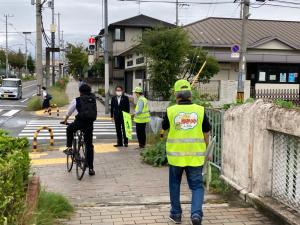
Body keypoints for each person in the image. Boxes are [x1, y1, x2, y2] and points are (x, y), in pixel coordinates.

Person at [162, 80, 211, 225]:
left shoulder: (171, 111)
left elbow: (163, 129)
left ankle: (176, 215)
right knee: (196, 186)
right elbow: (206, 132)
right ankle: (196, 215)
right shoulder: (200, 110)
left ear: (176, 95)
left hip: (175, 157)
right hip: (195, 157)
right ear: (190, 94)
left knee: (174, 185)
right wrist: (206, 149)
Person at [63, 84, 97, 176]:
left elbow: (69, 112)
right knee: (89, 145)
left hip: (80, 122)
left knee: (69, 129)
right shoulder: (93, 99)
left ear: (80, 91)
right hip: (89, 124)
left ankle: (69, 148)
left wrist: (65, 120)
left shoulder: (77, 100)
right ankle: (91, 168)